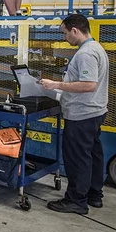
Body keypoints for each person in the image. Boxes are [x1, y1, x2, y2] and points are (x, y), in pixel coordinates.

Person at [39, 14, 109, 214]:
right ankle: (94, 195)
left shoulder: (86, 54)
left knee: (78, 158)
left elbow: (89, 85)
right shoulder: (97, 48)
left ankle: (76, 201)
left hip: (82, 114)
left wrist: (55, 85)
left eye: (65, 33)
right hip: (95, 111)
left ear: (75, 30)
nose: (64, 38)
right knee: (93, 155)